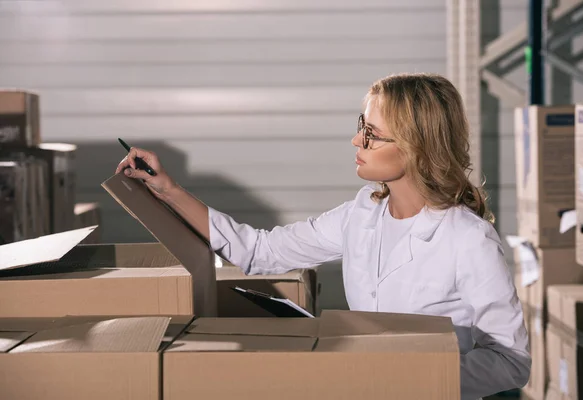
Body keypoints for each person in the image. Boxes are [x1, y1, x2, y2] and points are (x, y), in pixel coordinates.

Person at [116, 73, 531, 400]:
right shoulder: (361, 214)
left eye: (372, 134)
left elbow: (511, 361)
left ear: (416, 147)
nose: (356, 141)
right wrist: (167, 189)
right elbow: (259, 251)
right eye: (360, 126)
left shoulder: (467, 238)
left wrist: (413, 378)